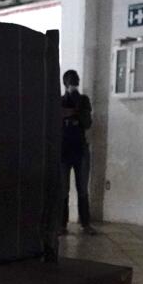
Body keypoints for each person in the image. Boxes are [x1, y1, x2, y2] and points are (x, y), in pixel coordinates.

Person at [60, 69, 97, 236]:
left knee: (82, 189)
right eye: (70, 84)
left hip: (80, 150)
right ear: (65, 84)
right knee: (63, 190)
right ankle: (62, 224)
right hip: (63, 150)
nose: (73, 87)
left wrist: (73, 111)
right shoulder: (60, 100)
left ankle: (85, 223)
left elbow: (87, 122)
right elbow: (57, 117)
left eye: (75, 83)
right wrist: (73, 113)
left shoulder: (83, 100)